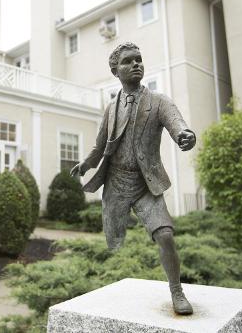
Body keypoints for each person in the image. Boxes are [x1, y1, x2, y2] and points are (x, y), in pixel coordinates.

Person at [70, 42, 196, 315]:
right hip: (115, 183)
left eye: (139, 59)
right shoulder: (111, 107)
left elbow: (178, 124)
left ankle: (177, 291)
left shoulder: (159, 101)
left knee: (165, 235)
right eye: (129, 61)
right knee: (112, 244)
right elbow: (101, 144)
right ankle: (107, 289)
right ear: (116, 70)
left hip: (145, 184)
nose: (136, 64)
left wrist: (186, 135)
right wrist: (86, 164)